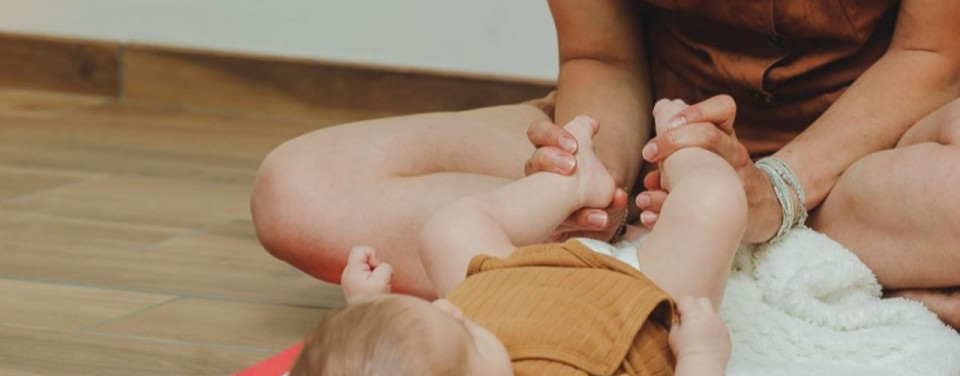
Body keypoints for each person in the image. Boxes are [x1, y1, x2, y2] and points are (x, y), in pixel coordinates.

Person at [250, 0, 960, 329]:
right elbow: (602, 56)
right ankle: (724, 258)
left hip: (867, 154)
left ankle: (702, 255)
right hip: (658, 142)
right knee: (299, 190)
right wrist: (591, 177)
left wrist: (776, 191)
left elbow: (931, 56)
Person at [274, 102, 744, 376]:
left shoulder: (450, 353)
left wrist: (371, 308)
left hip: (510, 275)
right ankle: (682, 149)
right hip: (639, 291)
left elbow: (392, 359)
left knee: (448, 229)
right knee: (714, 200)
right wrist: (701, 354)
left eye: (437, 314)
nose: (450, 308)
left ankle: (573, 183)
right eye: (468, 337)